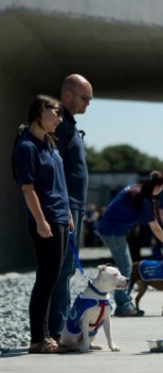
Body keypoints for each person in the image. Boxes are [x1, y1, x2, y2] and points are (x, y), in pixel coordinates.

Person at [13, 95, 73, 353]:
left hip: (60, 217)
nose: (59, 119)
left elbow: (60, 183)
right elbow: (28, 189)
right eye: (55, 113)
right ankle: (39, 338)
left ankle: (48, 335)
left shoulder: (50, 144)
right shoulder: (27, 147)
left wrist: (68, 213)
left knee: (53, 277)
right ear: (39, 112)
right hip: (46, 220)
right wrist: (41, 221)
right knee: (46, 279)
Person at [96, 171, 163, 317]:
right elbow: (155, 227)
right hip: (112, 232)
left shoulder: (137, 189)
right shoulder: (146, 199)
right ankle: (123, 306)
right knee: (126, 267)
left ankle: (123, 302)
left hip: (110, 229)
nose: (161, 191)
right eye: (162, 188)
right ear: (158, 187)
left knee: (125, 265)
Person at [49, 74, 93, 340]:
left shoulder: (71, 126)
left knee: (66, 270)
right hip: (67, 208)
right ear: (67, 94)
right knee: (62, 270)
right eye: (84, 97)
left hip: (74, 207)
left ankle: (62, 330)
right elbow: (56, 170)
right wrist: (65, 207)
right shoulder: (61, 125)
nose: (88, 103)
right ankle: (58, 331)